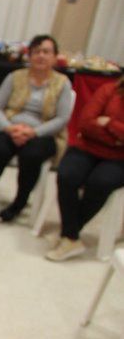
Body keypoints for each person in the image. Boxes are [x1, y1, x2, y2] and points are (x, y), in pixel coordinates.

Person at [0, 34, 74, 222]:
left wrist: (33, 132)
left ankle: (19, 203)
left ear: (55, 57)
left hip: (43, 133)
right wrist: (9, 128)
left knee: (31, 155)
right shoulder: (14, 77)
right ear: (29, 56)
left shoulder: (62, 83)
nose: (41, 56)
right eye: (36, 52)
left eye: (46, 52)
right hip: (10, 127)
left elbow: (62, 119)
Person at [46, 76, 124, 261]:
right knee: (67, 175)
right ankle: (71, 237)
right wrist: (118, 139)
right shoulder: (108, 90)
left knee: (99, 182)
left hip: (119, 159)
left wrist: (110, 124)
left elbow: (97, 124)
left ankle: (68, 233)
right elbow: (86, 122)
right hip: (87, 147)